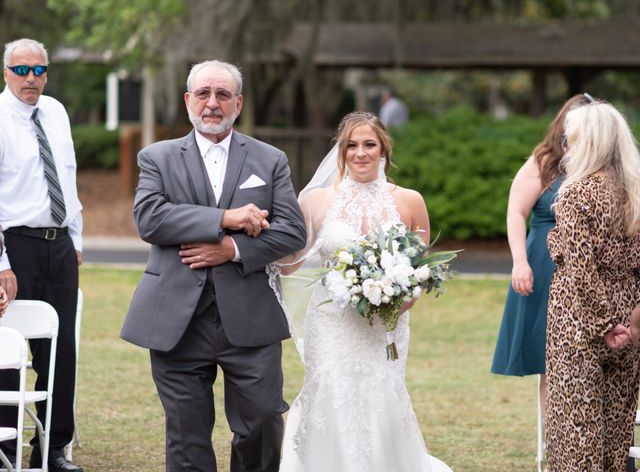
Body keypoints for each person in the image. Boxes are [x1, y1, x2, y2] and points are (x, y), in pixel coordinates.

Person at [120, 60, 307, 472]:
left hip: (250, 317)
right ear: (188, 99)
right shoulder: (158, 157)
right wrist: (226, 219)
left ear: (237, 102)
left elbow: (293, 232)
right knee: (187, 438)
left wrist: (231, 250)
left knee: (261, 423)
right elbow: (150, 219)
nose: (212, 103)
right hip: (177, 321)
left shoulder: (269, 159)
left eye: (222, 94)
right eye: (203, 93)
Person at [278, 111, 451, 472]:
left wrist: (400, 302)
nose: (360, 152)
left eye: (369, 144)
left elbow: (420, 270)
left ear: (383, 149)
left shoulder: (409, 201)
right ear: (340, 152)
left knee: (381, 393)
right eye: (351, 145)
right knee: (331, 390)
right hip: (329, 322)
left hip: (385, 325)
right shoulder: (316, 202)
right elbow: (290, 262)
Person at [490, 93, 594, 463]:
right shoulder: (544, 162)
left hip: (594, 270)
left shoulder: (607, 164)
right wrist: (520, 262)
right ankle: (556, 448)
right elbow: (516, 212)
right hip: (544, 265)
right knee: (551, 359)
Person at [0, 38, 84, 472]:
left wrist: (78, 238)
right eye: (21, 70)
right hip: (14, 247)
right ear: (6, 72)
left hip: (60, 246)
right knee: (9, 351)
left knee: (60, 351)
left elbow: (66, 176)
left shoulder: (56, 112)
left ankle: (50, 450)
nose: (30, 78)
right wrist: (1, 264)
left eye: (38, 70)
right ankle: (5, 449)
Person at [545, 101, 640, 471]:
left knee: (576, 429)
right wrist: (628, 320)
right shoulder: (634, 191)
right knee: (616, 431)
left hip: (579, 320)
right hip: (629, 313)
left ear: (589, 143)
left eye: (570, 140)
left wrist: (603, 324)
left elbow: (581, 268)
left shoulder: (576, 193)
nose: (566, 148)